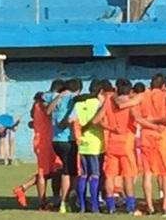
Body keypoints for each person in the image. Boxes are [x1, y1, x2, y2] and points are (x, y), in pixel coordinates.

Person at [101, 78, 148, 215]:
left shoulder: (108, 102)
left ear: (116, 89)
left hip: (112, 143)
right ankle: (130, 206)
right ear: (130, 90)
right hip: (126, 144)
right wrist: (154, 126)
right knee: (128, 176)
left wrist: (111, 128)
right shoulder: (131, 104)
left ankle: (110, 207)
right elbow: (138, 119)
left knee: (110, 176)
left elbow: (97, 120)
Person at [12, 91, 62, 210]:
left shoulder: (36, 108)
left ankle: (25, 190)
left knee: (55, 171)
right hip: (45, 143)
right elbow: (48, 114)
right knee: (45, 173)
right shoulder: (44, 107)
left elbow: (33, 122)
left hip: (41, 142)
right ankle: (40, 202)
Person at [138, 73, 166, 215]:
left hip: (146, 135)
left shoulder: (142, 96)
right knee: (165, 173)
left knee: (147, 173)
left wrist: (150, 121)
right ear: (164, 86)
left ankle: (150, 206)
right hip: (161, 136)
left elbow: (137, 116)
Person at [44, 78, 81, 213]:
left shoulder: (54, 96)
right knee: (71, 171)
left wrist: (59, 95)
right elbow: (71, 118)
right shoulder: (74, 98)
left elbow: (45, 106)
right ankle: (66, 201)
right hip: (68, 140)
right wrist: (64, 123)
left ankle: (61, 199)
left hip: (55, 140)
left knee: (64, 170)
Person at [70, 80, 105, 213]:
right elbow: (101, 120)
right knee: (95, 175)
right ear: (100, 91)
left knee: (83, 174)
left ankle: (82, 205)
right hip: (96, 143)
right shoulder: (98, 103)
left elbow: (71, 120)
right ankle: (95, 206)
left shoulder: (78, 103)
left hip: (82, 143)